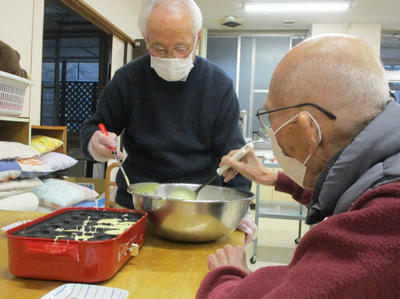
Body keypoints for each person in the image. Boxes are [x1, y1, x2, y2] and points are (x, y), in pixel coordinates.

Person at [196, 34, 400, 298]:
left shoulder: (384, 224)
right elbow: (350, 187)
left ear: (308, 130)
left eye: (270, 119)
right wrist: (272, 178)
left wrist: (227, 275)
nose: (270, 132)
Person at [80, 0, 255, 240]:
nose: (171, 58)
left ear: (197, 38)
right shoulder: (128, 79)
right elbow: (95, 126)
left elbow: (236, 155)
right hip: (136, 211)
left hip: (199, 210)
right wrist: (95, 142)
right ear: (146, 38)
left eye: (181, 48)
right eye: (159, 49)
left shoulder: (218, 84)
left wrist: (238, 210)